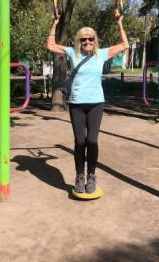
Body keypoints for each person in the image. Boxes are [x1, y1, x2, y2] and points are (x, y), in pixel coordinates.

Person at [46, 14, 129, 194]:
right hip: (76, 104)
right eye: (84, 39)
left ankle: (91, 175)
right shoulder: (72, 53)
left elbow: (125, 45)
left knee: (92, 141)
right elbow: (50, 45)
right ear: (79, 41)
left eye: (90, 39)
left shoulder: (102, 54)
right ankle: (79, 176)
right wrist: (54, 23)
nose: (87, 42)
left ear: (94, 40)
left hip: (96, 104)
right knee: (80, 142)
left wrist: (119, 23)